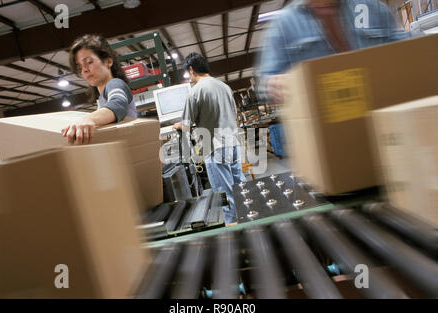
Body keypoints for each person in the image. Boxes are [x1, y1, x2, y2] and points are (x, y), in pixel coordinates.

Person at [257, 0, 410, 103]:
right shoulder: (285, 24)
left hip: (382, 105)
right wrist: (274, 84)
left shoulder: (371, 7)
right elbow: (265, 81)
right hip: (327, 129)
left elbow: (408, 47)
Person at [173, 52, 246, 225]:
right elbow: (234, 115)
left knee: (224, 191)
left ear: (191, 70)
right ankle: (250, 217)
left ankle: (235, 228)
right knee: (239, 185)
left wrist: (178, 126)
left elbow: (187, 124)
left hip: (215, 147)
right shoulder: (225, 86)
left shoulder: (195, 92)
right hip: (233, 143)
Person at [61, 34, 137, 145]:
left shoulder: (115, 84)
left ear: (108, 62)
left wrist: (89, 119)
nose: (84, 70)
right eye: (80, 67)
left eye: (89, 62)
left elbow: (118, 104)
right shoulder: (102, 98)